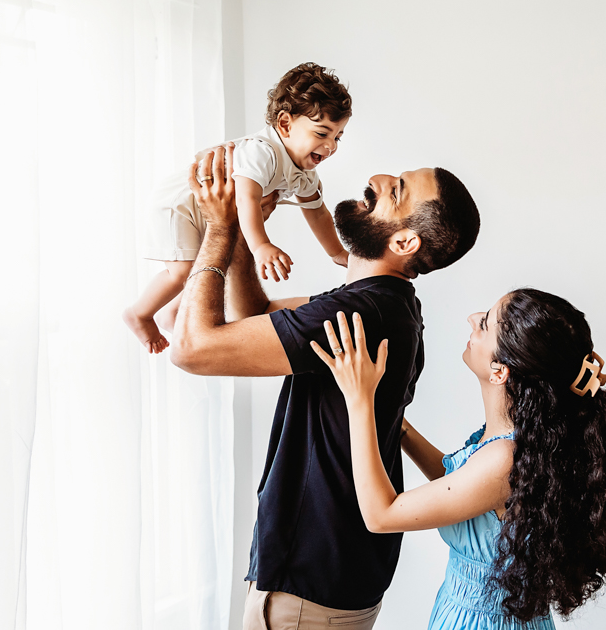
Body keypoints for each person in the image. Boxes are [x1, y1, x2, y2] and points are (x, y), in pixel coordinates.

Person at [170, 143, 481, 629]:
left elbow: (192, 348)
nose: (377, 179)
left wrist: (219, 228)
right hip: (334, 573)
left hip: (308, 587)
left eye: (395, 191)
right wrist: (241, 238)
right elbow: (254, 318)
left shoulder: (364, 312)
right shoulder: (380, 305)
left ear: (404, 243)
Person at [311, 290, 606, 629]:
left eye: (486, 324)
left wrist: (358, 400)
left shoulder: (505, 460)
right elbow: (460, 486)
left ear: (499, 371)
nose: (472, 318)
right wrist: (395, 423)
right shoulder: (518, 443)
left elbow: (381, 515)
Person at [123, 62, 352, 354]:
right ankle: (139, 313)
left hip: (209, 211)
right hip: (179, 204)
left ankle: (171, 313)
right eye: (322, 134)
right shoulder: (263, 151)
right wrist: (261, 246)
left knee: (203, 268)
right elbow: (246, 199)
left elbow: (317, 212)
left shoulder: (305, 173)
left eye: (337, 137)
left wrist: (337, 253)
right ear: (285, 124)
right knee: (181, 272)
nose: (331, 146)